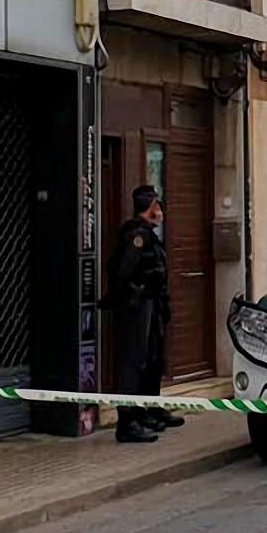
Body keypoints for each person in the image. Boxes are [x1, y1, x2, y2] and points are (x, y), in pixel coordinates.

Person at [110, 185, 183, 443]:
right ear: (149, 209)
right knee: (135, 361)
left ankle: (148, 411)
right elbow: (124, 275)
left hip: (152, 306)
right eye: (158, 206)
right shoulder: (136, 237)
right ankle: (128, 421)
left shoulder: (149, 236)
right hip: (138, 308)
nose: (161, 211)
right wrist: (138, 297)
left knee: (153, 359)